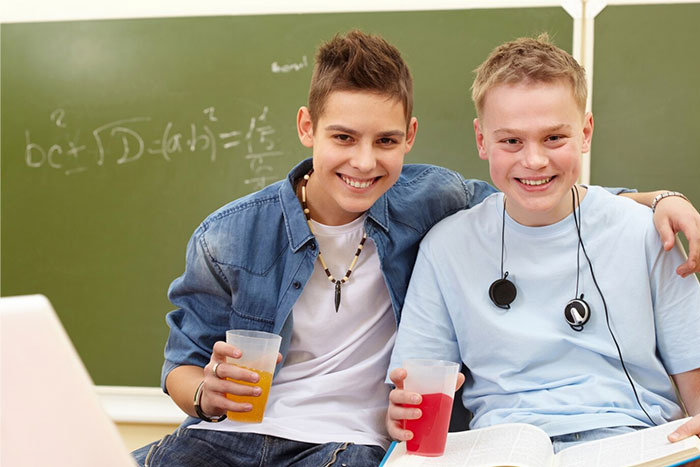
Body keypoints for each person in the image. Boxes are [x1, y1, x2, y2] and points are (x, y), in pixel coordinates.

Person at [134, 30, 700, 466]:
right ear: (308, 127)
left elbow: (541, 195)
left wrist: (656, 199)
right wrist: (209, 391)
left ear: (410, 136)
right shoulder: (232, 234)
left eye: (384, 141)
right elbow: (181, 366)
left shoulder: (433, 201)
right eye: (342, 138)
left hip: (350, 447)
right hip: (232, 436)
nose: (363, 162)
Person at [386, 34, 700, 455]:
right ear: (481, 140)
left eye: (554, 138)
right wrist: (398, 414)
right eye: (511, 141)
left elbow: (695, 382)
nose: (533, 161)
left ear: (585, 132)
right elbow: (412, 391)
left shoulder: (645, 231)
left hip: (630, 440)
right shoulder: (446, 247)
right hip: (502, 450)